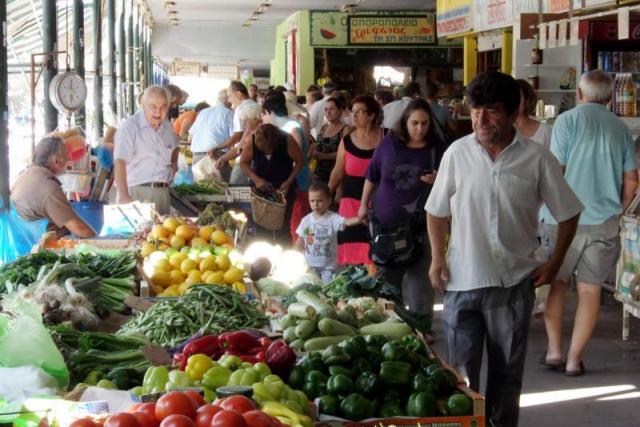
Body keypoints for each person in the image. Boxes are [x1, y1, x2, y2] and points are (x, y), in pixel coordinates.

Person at [425, 71, 583, 426]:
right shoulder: (457, 153)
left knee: (507, 378)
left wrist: (555, 262)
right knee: (460, 380)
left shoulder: (537, 158)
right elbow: (435, 211)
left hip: (514, 285)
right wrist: (437, 258)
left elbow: (569, 213)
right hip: (462, 283)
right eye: (476, 108)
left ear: (513, 113)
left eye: (492, 110)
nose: (480, 118)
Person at [541, 70, 638, 377]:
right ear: (610, 98)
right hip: (603, 223)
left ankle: (554, 351)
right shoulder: (621, 129)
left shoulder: (566, 122)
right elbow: (632, 181)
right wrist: (618, 212)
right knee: (590, 291)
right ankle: (574, 360)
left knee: (556, 284)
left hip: (562, 221)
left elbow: (556, 171)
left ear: (580, 94)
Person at [358, 98, 446, 336]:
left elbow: (452, 184)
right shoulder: (389, 144)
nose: (420, 129)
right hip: (385, 224)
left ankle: (421, 329)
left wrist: (439, 180)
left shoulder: (437, 148)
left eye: (425, 124)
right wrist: (363, 205)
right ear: (405, 122)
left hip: (421, 226)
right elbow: (372, 175)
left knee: (421, 281)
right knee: (387, 280)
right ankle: (390, 329)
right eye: (415, 123)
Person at [329, 95, 384, 266]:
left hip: (379, 203)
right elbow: (337, 172)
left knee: (377, 253)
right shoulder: (346, 142)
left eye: (359, 112)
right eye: (353, 111)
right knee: (353, 256)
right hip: (350, 203)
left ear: (372, 115)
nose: (354, 115)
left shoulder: (387, 137)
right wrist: (326, 194)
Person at [11, 136, 96, 238]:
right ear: (56, 161)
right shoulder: (48, 188)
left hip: (22, 238)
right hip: (33, 246)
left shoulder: (27, 174)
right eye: (66, 155)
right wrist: (102, 242)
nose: (69, 159)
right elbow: (80, 229)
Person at [114, 85, 179, 215]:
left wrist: (173, 167)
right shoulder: (130, 127)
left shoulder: (167, 127)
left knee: (161, 234)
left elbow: (175, 146)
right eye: (153, 106)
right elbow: (120, 161)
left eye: (163, 107)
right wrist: (123, 195)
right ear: (143, 105)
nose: (158, 112)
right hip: (135, 191)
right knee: (136, 234)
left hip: (162, 193)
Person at [239, 123, 303, 244]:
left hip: (283, 189)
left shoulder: (287, 139)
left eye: (269, 150)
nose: (267, 153)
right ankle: (263, 258)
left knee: (283, 228)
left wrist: (288, 182)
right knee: (261, 228)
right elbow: (243, 163)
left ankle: (284, 256)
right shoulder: (252, 140)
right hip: (260, 192)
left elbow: (299, 162)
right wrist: (256, 179)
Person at [261, 90, 311, 242]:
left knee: (296, 223)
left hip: (297, 184)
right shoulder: (283, 128)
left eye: (263, 115)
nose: (262, 119)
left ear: (270, 112)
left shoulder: (291, 128)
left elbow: (297, 160)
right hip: (287, 184)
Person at [295, 181, 361, 283]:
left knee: (326, 290)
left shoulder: (333, 218)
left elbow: (346, 222)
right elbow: (298, 244)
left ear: (329, 200)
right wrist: (295, 256)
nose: (315, 204)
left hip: (328, 268)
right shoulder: (306, 221)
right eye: (312, 201)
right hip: (310, 266)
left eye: (320, 200)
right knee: (312, 289)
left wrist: (359, 219)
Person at [213, 81, 259, 158]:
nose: (229, 100)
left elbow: (238, 136)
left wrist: (218, 148)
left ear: (238, 94)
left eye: (230, 96)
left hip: (245, 153)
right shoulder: (256, 105)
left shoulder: (240, 108)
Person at [312, 96, 350, 184]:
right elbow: (318, 146)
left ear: (340, 111)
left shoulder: (345, 129)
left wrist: (323, 156)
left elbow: (346, 154)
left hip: (335, 175)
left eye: (332, 109)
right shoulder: (324, 127)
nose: (328, 112)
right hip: (318, 173)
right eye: (325, 110)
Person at [188, 93, 233, 166]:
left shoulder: (203, 112)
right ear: (229, 101)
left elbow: (190, 137)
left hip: (197, 157)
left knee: (200, 178)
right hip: (216, 156)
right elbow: (234, 138)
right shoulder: (228, 113)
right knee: (219, 177)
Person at [514, 79, 551, 148]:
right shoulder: (504, 129)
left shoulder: (545, 130)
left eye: (518, 97)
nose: (514, 101)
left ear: (528, 100)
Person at [424, 80, 457, 144]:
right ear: (436, 94)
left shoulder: (420, 108)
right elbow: (454, 128)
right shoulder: (443, 109)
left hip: (424, 143)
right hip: (439, 143)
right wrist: (455, 112)